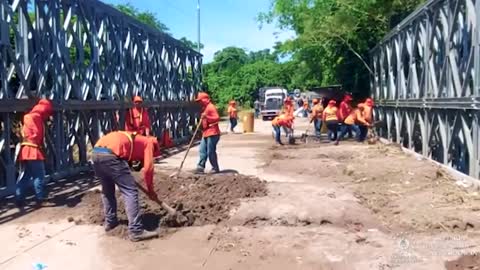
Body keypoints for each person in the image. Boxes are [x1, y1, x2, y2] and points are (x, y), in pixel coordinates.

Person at [92, 131, 161, 242]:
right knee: (130, 191)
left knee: (107, 190)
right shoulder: (149, 142)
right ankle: (136, 231)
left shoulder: (133, 138)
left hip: (96, 154)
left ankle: (110, 222)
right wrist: (150, 190)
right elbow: (148, 168)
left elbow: (128, 158)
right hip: (111, 155)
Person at [16, 99, 55, 208]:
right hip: (33, 150)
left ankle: (19, 198)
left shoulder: (29, 117)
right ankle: (40, 199)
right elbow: (37, 134)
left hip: (26, 149)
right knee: (39, 175)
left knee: (26, 176)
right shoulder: (36, 117)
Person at [195, 92, 221, 174]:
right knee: (202, 150)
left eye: (200, 100)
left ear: (205, 99)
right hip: (206, 132)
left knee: (210, 151)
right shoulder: (205, 108)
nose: (199, 103)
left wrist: (207, 117)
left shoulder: (211, 107)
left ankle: (215, 167)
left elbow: (217, 118)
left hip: (213, 132)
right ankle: (200, 166)